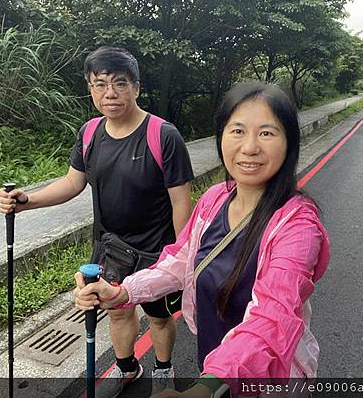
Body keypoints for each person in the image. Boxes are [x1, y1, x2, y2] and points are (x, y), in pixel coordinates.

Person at [74, 81, 331, 398]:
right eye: (237, 131)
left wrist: (204, 389)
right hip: (213, 364)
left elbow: (273, 319)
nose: (249, 147)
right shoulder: (215, 199)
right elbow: (180, 260)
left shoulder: (298, 227)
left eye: (266, 132)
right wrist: (122, 292)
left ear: (289, 142)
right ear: (221, 136)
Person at [0, 46, 194, 397]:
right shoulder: (89, 134)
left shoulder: (163, 135)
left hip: (157, 249)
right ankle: (127, 368)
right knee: (117, 311)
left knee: (160, 317)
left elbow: (181, 201)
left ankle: (163, 369)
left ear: (136, 86)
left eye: (120, 83)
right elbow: (73, 182)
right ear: (90, 89)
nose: (110, 93)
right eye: (99, 84)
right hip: (111, 247)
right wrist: (27, 202)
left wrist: (183, 257)